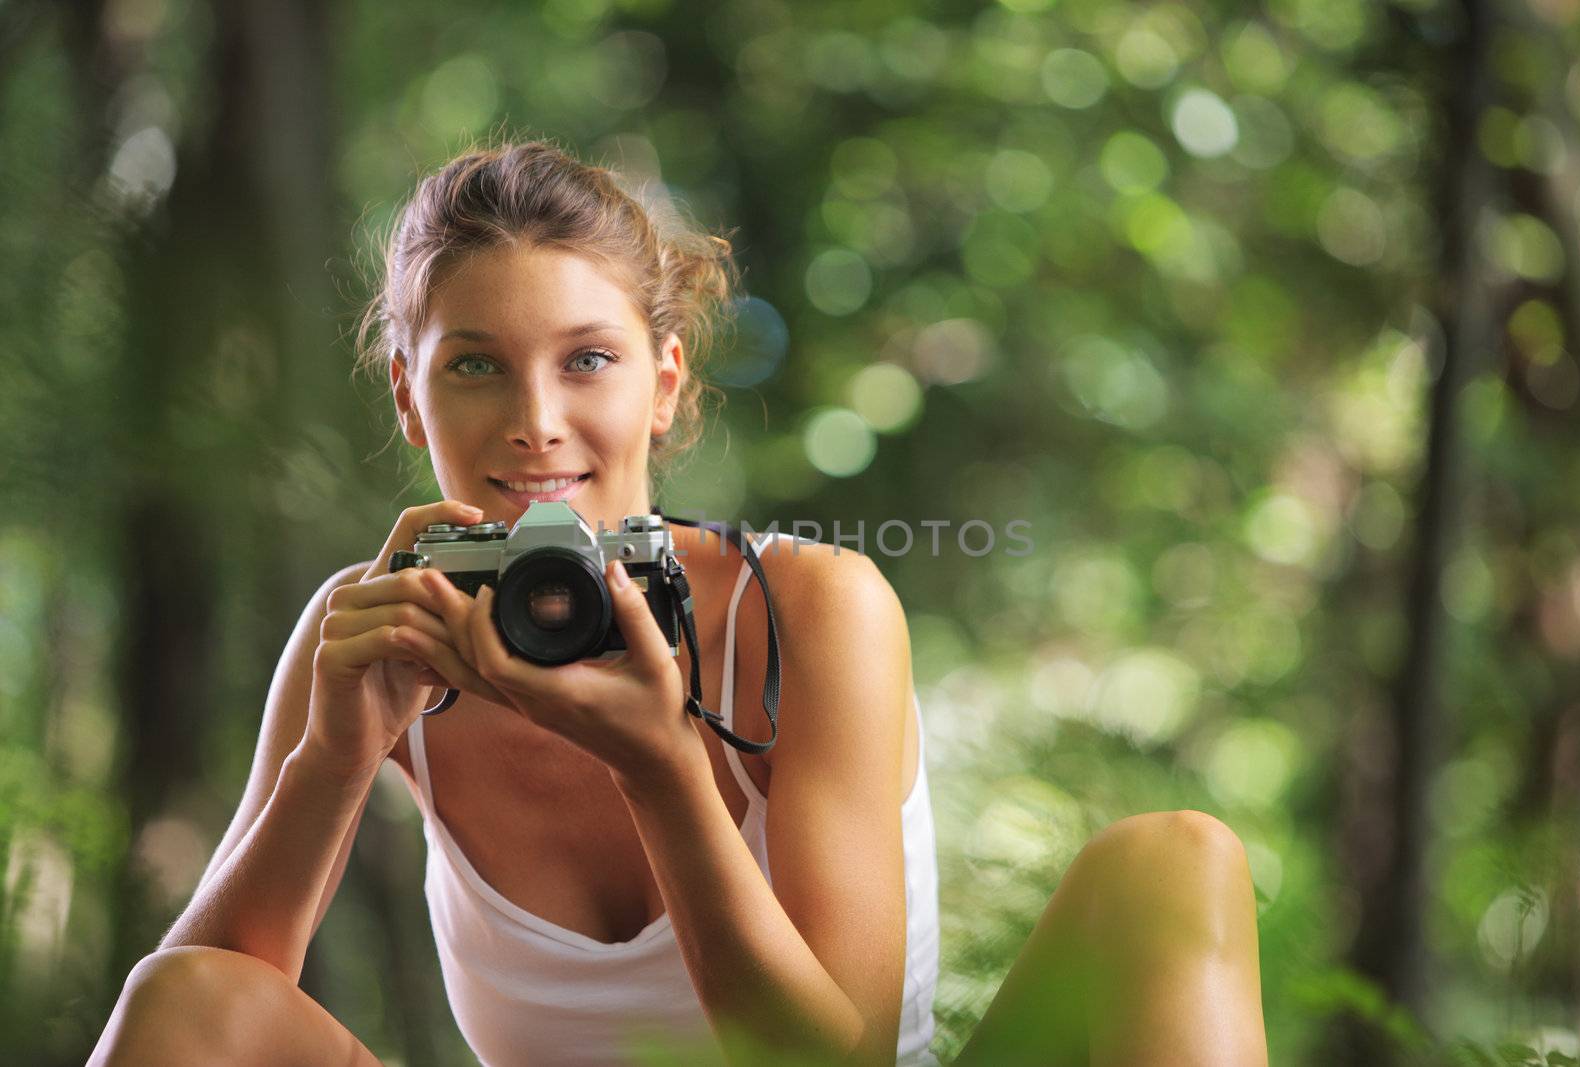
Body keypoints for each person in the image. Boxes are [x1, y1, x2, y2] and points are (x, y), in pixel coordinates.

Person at [87, 139, 1269, 1067]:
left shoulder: (807, 608)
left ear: (664, 381)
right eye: (475, 363)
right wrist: (337, 757)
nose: (535, 419)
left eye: (586, 360)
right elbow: (203, 1018)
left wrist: (660, 763)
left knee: (1176, 861)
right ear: (409, 394)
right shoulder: (379, 626)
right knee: (179, 984)